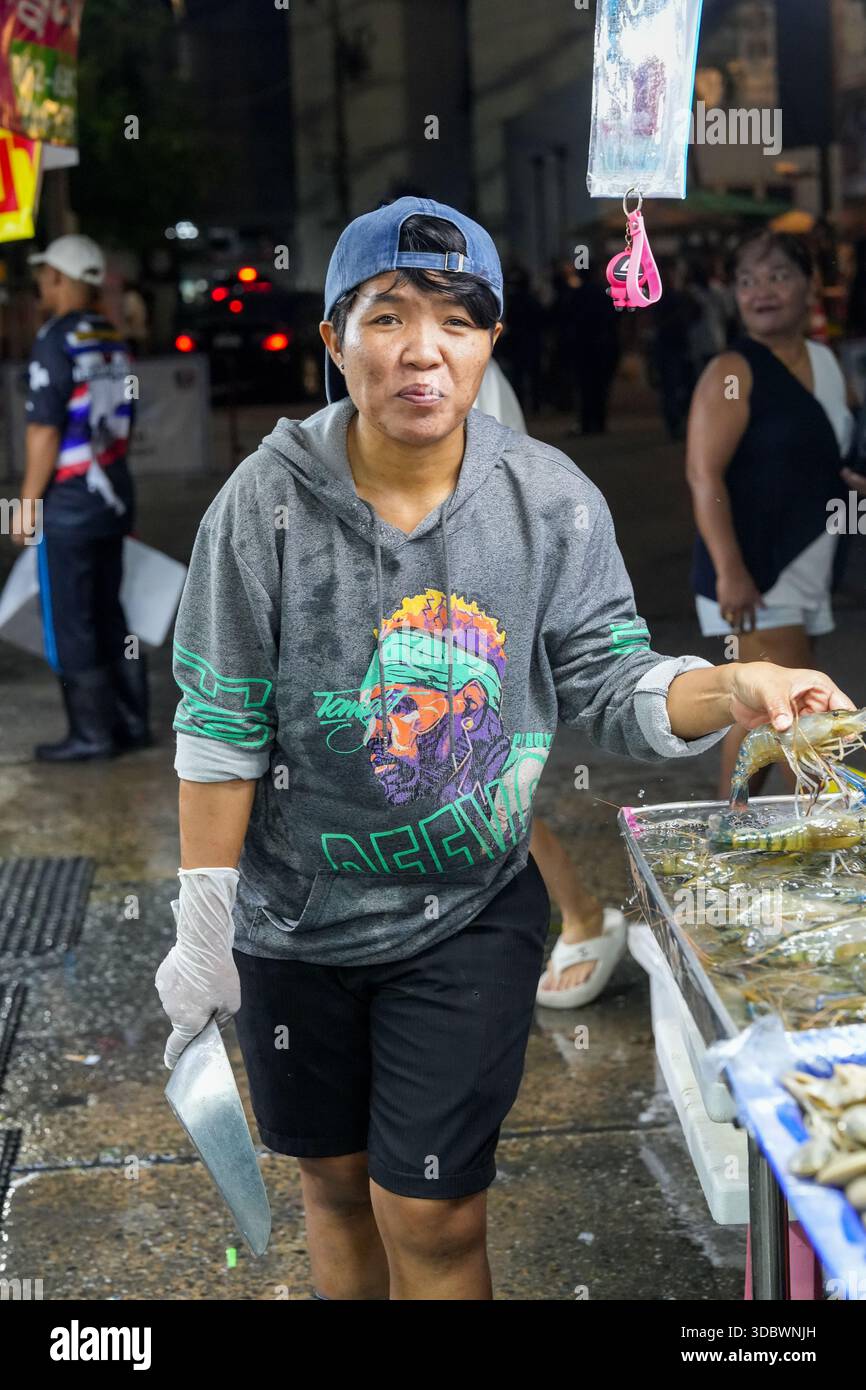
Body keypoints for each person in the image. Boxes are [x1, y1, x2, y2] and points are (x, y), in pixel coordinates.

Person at [156, 196, 854, 1301]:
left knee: (427, 1212)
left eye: (455, 319)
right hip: (291, 922)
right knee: (334, 1190)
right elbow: (222, 722)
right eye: (386, 317)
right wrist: (203, 925)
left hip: (466, 914)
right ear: (334, 342)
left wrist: (728, 684)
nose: (420, 351)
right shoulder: (260, 507)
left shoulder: (547, 502)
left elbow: (612, 682)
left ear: (490, 342)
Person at [473, 356, 627, 1007]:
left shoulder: (471, 369)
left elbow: (499, 503)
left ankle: (582, 910)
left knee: (481, 782)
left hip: (467, 608)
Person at [687, 229, 854, 800]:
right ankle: (835, 830)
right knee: (797, 706)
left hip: (809, 558)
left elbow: (829, 450)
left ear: (811, 286)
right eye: (747, 280)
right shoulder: (732, 371)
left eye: (779, 276)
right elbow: (703, 474)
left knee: (757, 713)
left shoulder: (827, 362)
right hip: (751, 569)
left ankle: (729, 826)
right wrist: (730, 569)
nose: (761, 290)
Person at [12, 234, 151, 760]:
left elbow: (43, 430)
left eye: (46, 275)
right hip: (114, 494)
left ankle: (91, 734)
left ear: (60, 279)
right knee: (112, 613)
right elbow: (126, 418)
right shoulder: (111, 336)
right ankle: (132, 724)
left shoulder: (54, 338)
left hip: (70, 504)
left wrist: (26, 504)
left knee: (70, 620)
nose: (41, 284)